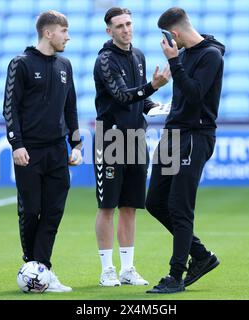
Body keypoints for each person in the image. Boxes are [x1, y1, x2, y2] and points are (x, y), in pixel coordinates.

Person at [145, 7, 225, 294]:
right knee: (154, 201)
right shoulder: (187, 55)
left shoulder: (210, 56)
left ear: (174, 33)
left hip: (194, 136)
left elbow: (194, 95)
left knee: (180, 207)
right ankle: (202, 256)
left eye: (167, 36)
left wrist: (174, 62)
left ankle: (176, 275)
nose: (168, 42)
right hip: (172, 134)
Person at [3, 10, 82, 293]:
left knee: (53, 211)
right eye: (64, 31)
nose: (68, 37)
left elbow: (70, 107)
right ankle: (33, 265)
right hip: (29, 151)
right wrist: (17, 144)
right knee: (31, 210)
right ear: (48, 33)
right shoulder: (20, 63)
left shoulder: (65, 65)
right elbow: (9, 107)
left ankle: (42, 269)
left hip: (57, 151)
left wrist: (76, 144)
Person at [93, 7, 171, 286]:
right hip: (110, 138)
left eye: (128, 24)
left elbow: (139, 101)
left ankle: (127, 268)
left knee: (130, 206)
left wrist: (157, 107)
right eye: (119, 26)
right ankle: (106, 270)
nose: (126, 29)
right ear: (109, 31)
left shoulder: (138, 55)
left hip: (136, 137)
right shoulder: (105, 60)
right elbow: (121, 96)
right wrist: (153, 87)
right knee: (107, 206)